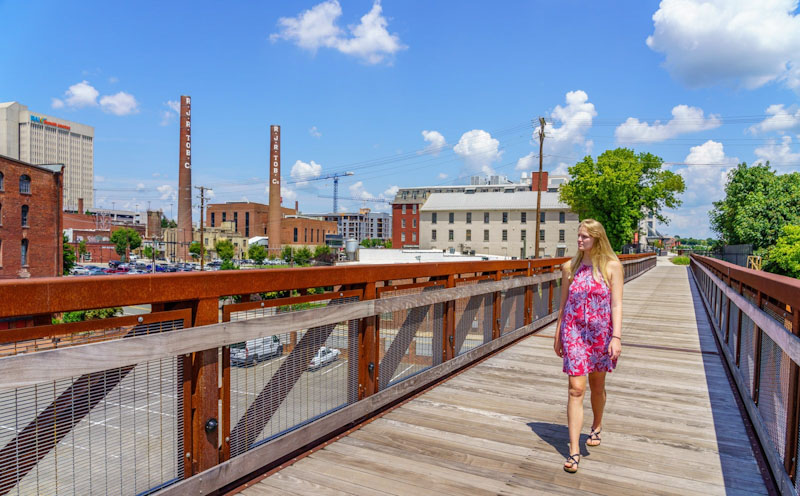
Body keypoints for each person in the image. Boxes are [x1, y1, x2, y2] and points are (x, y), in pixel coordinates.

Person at [553, 219, 623, 473]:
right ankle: (573, 450)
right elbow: (563, 304)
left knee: (597, 385)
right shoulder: (569, 267)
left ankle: (597, 424)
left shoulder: (612, 267)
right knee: (575, 388)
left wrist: (616, 337)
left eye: (585, 237)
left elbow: (616, 304)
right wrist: (558, 332)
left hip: (601, 334)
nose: (580, 240)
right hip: (574, 333)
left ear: (597, 238)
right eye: (579, 236)